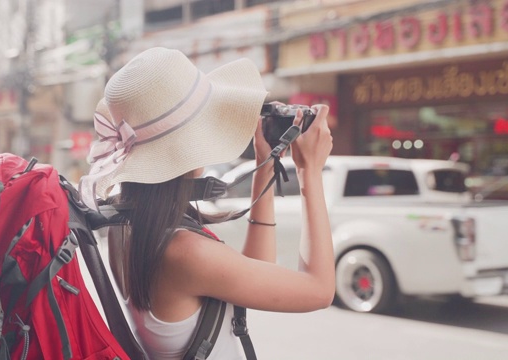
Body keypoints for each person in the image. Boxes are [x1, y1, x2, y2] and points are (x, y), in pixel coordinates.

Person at [79, 47, 335, 359]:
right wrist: (310, 172)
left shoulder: (130, 225)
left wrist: (265, 161)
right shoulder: (186, 251)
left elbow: (256, 272)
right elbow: (319, 290)